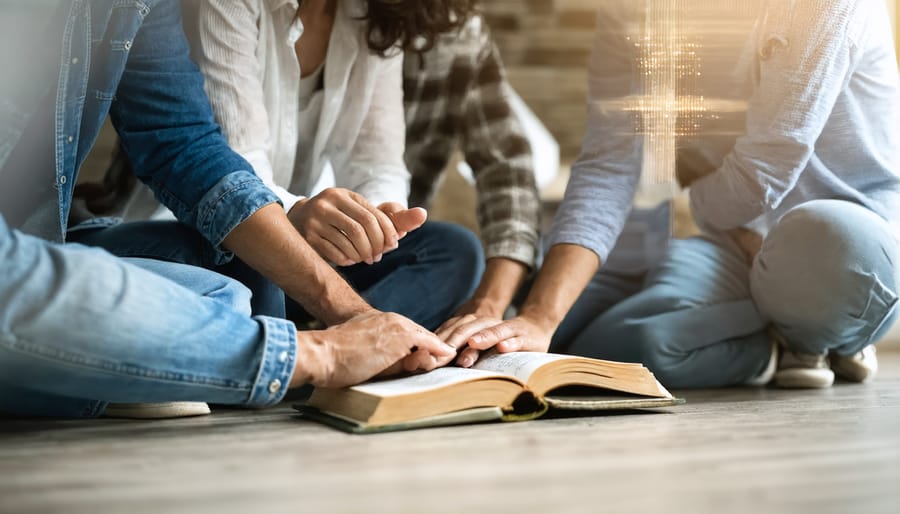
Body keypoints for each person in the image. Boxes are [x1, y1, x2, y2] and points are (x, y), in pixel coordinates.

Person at [0, 0, 456, 418]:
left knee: (236, 297)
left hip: (52, 242)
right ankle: (123, 372)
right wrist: (322, 354)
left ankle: (139, 368)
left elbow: (184, 142)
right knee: (247, 295)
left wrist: (352, 312)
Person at [448, 0, 900, 389]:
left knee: (832, 240)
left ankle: (825, 333)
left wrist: (697, 205)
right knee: (611, 344)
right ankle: (785, 345)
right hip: (734, 244)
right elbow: (608, 165)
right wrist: (540, 318)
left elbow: (766, 171)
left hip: (840, 247)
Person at [116, 0, 484, 331]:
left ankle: (329, 343)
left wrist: (375, 222)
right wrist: (295, 212)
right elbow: (229, 170)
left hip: (302, 242)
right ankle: (333, 346)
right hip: (210, 235)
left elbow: (378, 163)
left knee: (454, 249)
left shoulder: (378, 13)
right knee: (256, 266)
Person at [401, 15, 542, 341]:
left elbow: (507, 167)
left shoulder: (459, 34)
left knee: (459, 254)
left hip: (387, 258)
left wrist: (489, 304)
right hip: (280, 245)